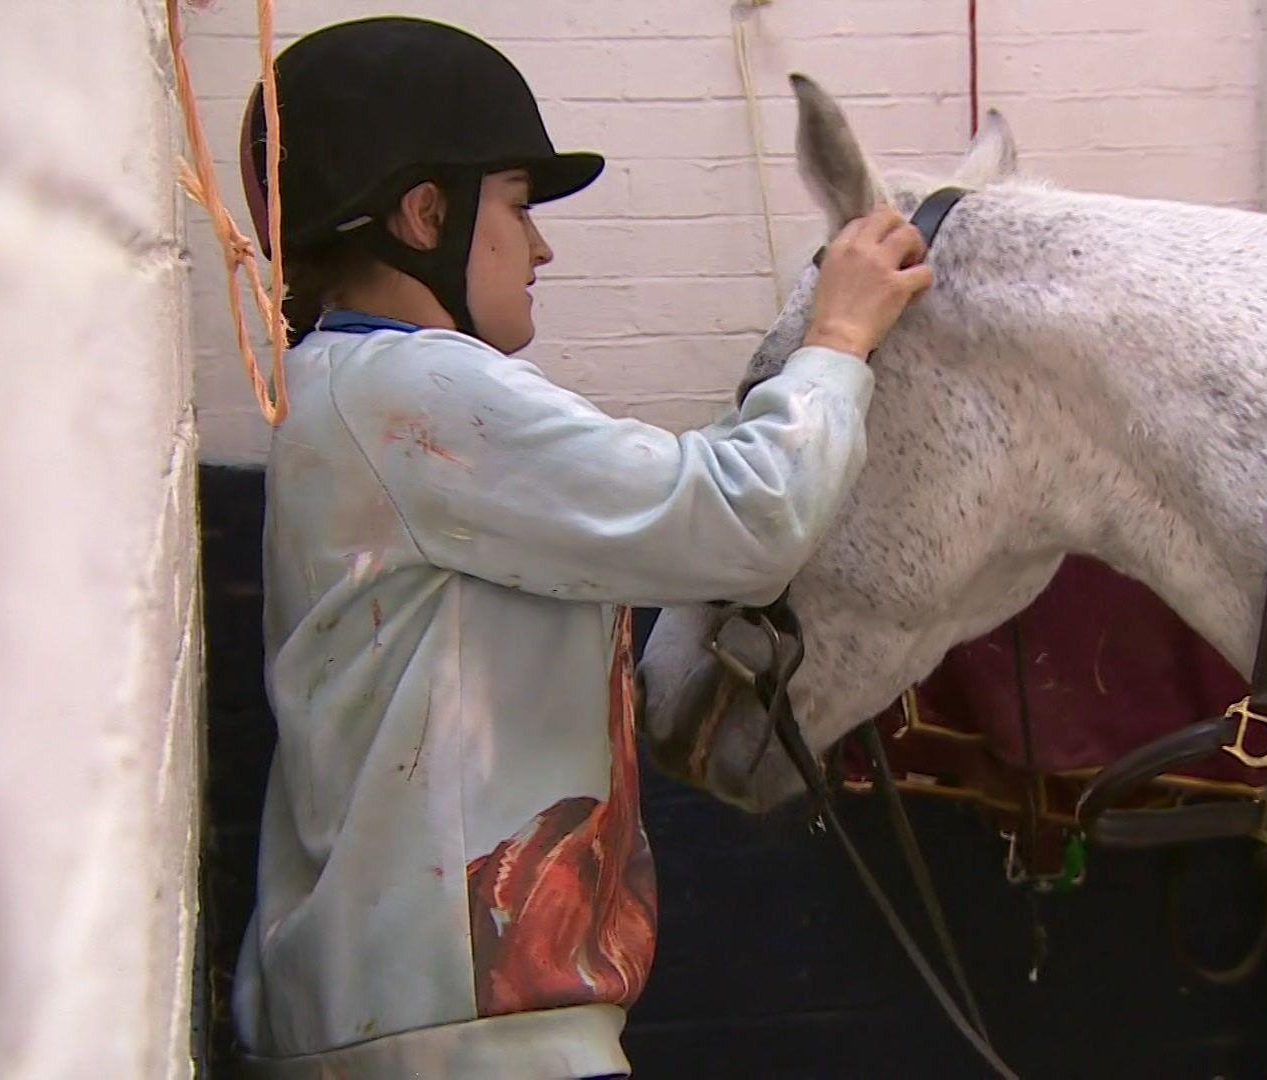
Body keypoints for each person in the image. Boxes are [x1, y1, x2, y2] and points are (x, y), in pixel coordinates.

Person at [228, 16, 931, 1078]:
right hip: (463, 1040)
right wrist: (838, 339)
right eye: (518, 205)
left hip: (408, 1020)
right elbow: (746, 518)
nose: (542, 245)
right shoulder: (420, 392)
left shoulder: (345, 392)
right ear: (427, 214)